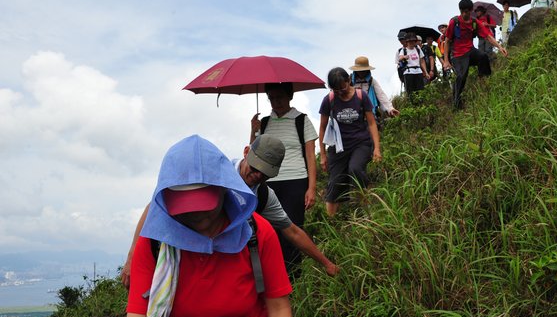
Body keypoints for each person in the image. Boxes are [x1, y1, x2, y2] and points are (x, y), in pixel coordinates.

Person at [122, 135, 299, 317]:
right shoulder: (156, 242)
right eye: (185, 206)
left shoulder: (257, 233)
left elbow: (278, 305)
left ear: (224, 188)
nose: (195, 214)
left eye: (203, 204)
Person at [120, 134, 339, 288]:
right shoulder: (213, 175)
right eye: (255, 168)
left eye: (265, 173)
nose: (258, 176)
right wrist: (132, 258)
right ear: (246, 152)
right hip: (184, 264)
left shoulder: (263, 196)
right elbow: (156, 207)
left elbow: (292, 231)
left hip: (226, 274)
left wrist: (326, 263)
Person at [250, 82, 319, 279]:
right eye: (271, 98)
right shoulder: (264, 123)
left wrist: (312, 188)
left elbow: (310, 156)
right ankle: (275, 276)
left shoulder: (301, 120)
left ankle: (294, 277)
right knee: (268, 231)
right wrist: (254, 130)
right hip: (267, 182)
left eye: (279, 97)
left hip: (296, 180)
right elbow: (253, 153)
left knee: (293, 228)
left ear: (289, 96)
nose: (276, 102)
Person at [318, 67, 382, 217]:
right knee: (335, 182)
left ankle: (366, 211)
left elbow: (371, 123)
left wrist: (377, 148)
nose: (340, 92)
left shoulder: (361, 96)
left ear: (348, 80)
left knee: (355, 169)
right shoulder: (329, 100)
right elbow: (322, 128)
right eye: (336, 90)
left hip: (360, 143)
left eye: (343, 88)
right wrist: (322, 155)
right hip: (338, 146)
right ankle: (332, 222)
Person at [441, 0, 508, 110]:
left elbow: (488, 36)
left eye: (466, 11)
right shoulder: (454, 22)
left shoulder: (474, 22)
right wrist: (446, 61)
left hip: (470, 50)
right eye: (462, 11)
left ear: (471, 10)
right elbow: (447, 41)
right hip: (457, 55)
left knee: (483, 57)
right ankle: (456, 104)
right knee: (461, 76)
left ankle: (484, 80)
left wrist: (500, 47)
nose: (464, 14)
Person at [350, 55, 399, 123]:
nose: (361, 72)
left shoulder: (372, 81)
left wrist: (390, 109)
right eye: (360, 70)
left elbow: (381, 96)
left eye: (363, 70)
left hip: (369, 112)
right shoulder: (349, 82)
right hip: (352, 113)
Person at [395, 33, 429, 99]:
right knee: (410, 92)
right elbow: (399, 58)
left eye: (413, 41)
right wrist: (404, 57)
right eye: (409, 41)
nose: (411, 43)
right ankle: (412, 103)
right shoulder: (403, 50)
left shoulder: (418, 49)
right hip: (408, 72)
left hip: (418, 71)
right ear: (407, 42)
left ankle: (420, 103)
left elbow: (422, 61)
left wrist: (426, 72)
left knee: (420, 90)